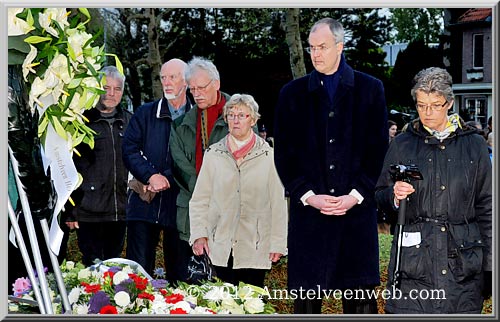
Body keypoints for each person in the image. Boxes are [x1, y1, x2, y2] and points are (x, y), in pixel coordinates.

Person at [273, 18, 388, 314]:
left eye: (322, 47)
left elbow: (378, 152)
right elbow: (284, 155)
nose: (315, 54)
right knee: (307, 307)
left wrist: (356, 195)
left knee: (359, 305)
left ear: (340, 46)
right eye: (311, 48)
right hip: (309, 220)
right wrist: (308, 195)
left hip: (356, 219)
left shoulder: (371, 89)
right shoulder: (291, 94)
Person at [375, 67, 492, 314]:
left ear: (449, 102)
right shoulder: (401, 144)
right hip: (412, 271)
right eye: (421, 105)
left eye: (435, 105)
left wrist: (490, 268)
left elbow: (488, 207)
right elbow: (380, 196)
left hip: (463, 272)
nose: (427, 113)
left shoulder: (475, 145)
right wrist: (394, 197)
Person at [189, 94, 288, 287]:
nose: (236, 120)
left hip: (255, 245)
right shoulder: (213, 154)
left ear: (253, 120)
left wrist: (278, 243)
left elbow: (278, 204)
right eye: (231, 115)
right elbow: (200, 200)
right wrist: (199, 235)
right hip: (219, 245)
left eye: (242, 115)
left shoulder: (270, 157)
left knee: (251, 305)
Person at [122, 58, 193, 281]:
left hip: (180, 206)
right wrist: (150, 175)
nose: (167, 82)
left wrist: (167, 178)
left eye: (173, 77)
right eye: (163, 77)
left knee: (180, 276)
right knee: (137, 276)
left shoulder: (196, 117)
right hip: (144, 203)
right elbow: (129, 149)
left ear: (186, 81)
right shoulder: (145, 113)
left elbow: (199, 159)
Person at [169, 56, 232, 278]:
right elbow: (179, 165)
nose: (196, 94)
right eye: (192, 89)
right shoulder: (180, 125)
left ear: (216, 84)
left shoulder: (238, 116)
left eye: (201, 87)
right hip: (193, 213)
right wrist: (204, 190)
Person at [64, 66, 131, 266]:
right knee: (91, 269)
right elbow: (68, 166)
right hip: (88, 211)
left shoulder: (130, 121)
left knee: (114, 268)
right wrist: (70, 210)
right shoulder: (80, 121)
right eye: (105, 87)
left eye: (117, 89)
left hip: (119, 211)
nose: (111, 93)